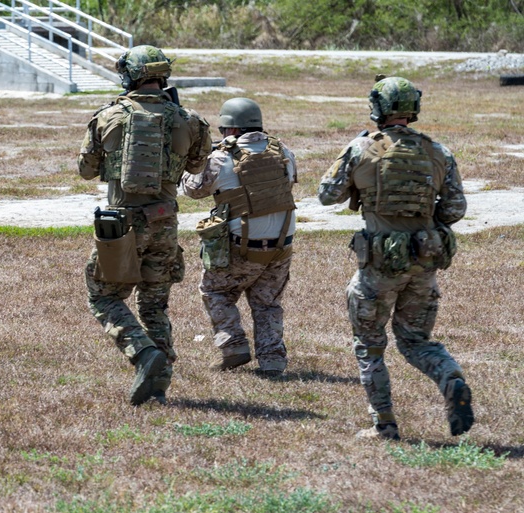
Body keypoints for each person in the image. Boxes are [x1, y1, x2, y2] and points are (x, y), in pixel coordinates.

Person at [317, 76, 473, 440]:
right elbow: (454, 210)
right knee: (416, 341)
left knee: (370, 344)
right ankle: (449, 376)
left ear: (379, 108)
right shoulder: (438, 152)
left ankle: (384, 424)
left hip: (378, 267)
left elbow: (327, 195)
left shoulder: (362, 149)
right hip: (423, 262)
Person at [79, 45, 212, 406]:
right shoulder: (190, 119)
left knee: (103, 294)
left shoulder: (109, 116)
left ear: (130, 75)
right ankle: (158, 386)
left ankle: (142, 353)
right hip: (165, 221)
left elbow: (86, 169)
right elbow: (198, 168)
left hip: (123, 224)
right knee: (155, 305)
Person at [181, 98, 298, 377]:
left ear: (230, 130)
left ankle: (233, 346)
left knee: (216, 291)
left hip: (241, 247)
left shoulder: (221, 157)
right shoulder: (284, 151)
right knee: (267, 301)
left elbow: (192, 189)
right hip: (282, 246)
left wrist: (190, 162)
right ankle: (272, 359)